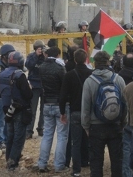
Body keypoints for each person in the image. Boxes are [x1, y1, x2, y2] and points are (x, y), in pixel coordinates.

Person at [81, 50, 126, 177]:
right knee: (117, 162)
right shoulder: (119, 79)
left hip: (96, 126)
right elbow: (125, 104)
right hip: (115, 125)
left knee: (96, 163)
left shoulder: (89, 81)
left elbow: (85, 106)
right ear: (108, 62)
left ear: (94, 63)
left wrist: (85, 126)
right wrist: (123, 123)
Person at [59, 49, 93, 177]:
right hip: (89, 112)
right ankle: (88, 161)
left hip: (75, 111)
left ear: (74, 59)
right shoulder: (91, 74)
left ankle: (76, 169)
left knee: (76, 141)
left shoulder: (69, 75)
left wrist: (62, 112)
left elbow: (63, 96)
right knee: (89, 139)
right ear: (86, 59)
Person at [0, 51, 33, 171]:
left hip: (7, 110)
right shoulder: (19, 75)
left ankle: (9, 159)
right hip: (19, 110)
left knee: (10, 136)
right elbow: (28, 95)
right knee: (19, 137)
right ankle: (12, 163)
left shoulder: (2, 74)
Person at [36, 46, 69, 173]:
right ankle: (59, 165)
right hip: (59, 104)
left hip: (46, 102)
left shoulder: (42, 67)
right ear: (58, 55)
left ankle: (42, 163)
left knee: (47, 135)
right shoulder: (60, 68)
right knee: (61, 136)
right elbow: (64, 86)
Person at [0, 44, 15, 150]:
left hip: (9, 95)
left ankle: (6, 139)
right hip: (0, 96)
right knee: (1, 119)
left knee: (8, 118)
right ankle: (0, 141)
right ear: (5, 56)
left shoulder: (10, 64)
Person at [25, 40, 45, 139]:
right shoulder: (31, 56)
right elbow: (28, 66)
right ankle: (29, 130)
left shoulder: (46, 56)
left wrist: (45, 56)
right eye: (38, 49)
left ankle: (41, 128)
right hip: (34, 85)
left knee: (44, 109)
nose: (40, 51)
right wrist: (36, 56)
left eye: (41, 49)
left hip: (44, 85)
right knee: (32, 109)